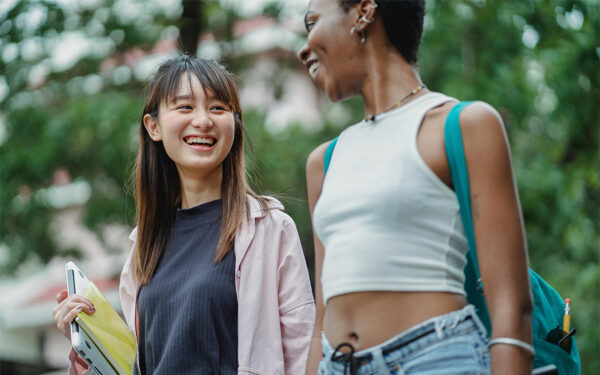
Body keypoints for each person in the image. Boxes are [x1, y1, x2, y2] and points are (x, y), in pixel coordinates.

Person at [297, 0, 533, 374]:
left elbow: (512, 311)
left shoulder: (463, 126)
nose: (303, 47)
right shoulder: (323, 162)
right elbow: (321, 319)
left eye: (312, 23)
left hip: (435, 359)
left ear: (363, 12)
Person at [53, 55, 315, 374]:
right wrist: (88, 347)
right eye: (185, 107)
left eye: (218, 107)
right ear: (154, 126)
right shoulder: (143, 248)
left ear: (235, 123)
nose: (203, 120)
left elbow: (304, 351)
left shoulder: (269, 228)